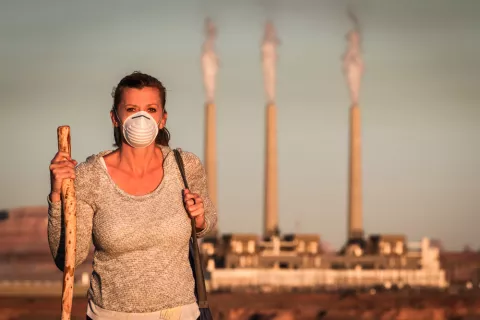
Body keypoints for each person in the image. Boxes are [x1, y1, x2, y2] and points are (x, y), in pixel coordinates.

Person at [47, 71, 217, 320]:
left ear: (162, 118)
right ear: (115, 117)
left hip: (179, 313)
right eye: (131, 108)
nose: (141, 118)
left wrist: (200, 218)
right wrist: (56, 195)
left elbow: (207, 221)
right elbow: (68, 258)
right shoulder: (89, 175)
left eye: (150, 109)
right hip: (110, 315)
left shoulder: (185, 166)